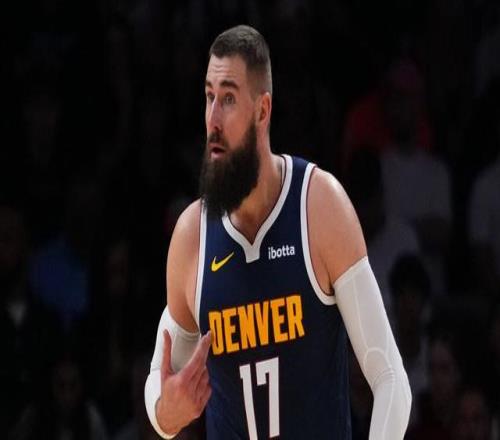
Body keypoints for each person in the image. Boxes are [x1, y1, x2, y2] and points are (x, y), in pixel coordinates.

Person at [144, 25, 411, 439]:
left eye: (228, 99)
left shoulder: (318, 206)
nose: (213, 119)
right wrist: (166, 412)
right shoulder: (193, 235)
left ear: (262, 110)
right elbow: (159, 378)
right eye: (209, 97)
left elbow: (390, 376)